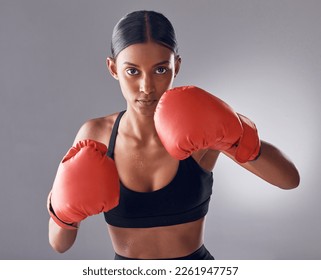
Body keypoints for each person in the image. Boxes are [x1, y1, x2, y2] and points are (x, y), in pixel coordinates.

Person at [47, 10, 300, 260]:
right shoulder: (96, 135)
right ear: (113, 68)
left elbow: (289, 179)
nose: (147, 87)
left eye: (160, 70)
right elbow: (59, 244)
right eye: (132, 71)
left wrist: (236, 132)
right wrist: (65, 213)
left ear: (176, 66)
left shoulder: (200, 125)